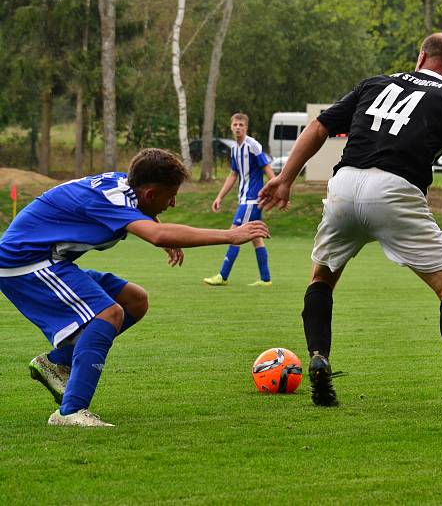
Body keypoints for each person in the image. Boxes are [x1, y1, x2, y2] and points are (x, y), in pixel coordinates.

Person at [258, 32, 442, 412]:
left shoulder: (376, 83)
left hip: (343, 183)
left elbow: (318, 127)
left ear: (420, 56)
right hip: (395, 189)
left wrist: (286, 178)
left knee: (322, 277)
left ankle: (318, 356)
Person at [0, 148, 269, 427]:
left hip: (50, 259)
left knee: (135, 301)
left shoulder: (124, 184)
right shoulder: (112, 201)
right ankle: (70, 412)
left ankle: (57, 362)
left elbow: (149, 221)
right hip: (26, 263)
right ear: (150, 194)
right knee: (109, 313)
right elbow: (156, 234)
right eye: (171, 195)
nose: (174, 203)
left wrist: (160, 231)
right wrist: (231, 235)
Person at [204, 113, 276, 287]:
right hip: (244, 198)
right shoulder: (234, 149)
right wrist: (219, 196)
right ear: (231, 127)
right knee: (255, 238)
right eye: (235, 124)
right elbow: (233, 174)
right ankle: (265, 279)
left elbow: (266, 168)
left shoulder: (253, 146)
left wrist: (277, 189)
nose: (238, 127)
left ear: (246, 128)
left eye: (241, 125)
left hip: (252, 199)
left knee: (233, 233)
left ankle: (223, 275)